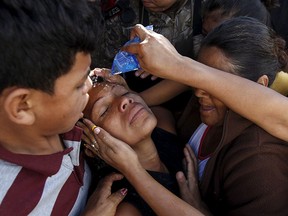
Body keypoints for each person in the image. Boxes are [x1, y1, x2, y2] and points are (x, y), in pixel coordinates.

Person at [87, 18, 288, 215]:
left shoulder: (260, 163)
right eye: (104, 110)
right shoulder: (196, 110)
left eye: (213, 80)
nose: (198, 91)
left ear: (258, 85)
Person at [0, 1, 126, 215]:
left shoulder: (65, 120)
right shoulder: (9, 202)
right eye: (78, 84)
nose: (89, 86)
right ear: (22, 106)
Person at [78, 69, 183, 215]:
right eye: (105, 110)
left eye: (123, 92)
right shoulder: (126, 208)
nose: (125, 101)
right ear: (91, 147)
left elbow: (194, 79)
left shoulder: (163, 123)